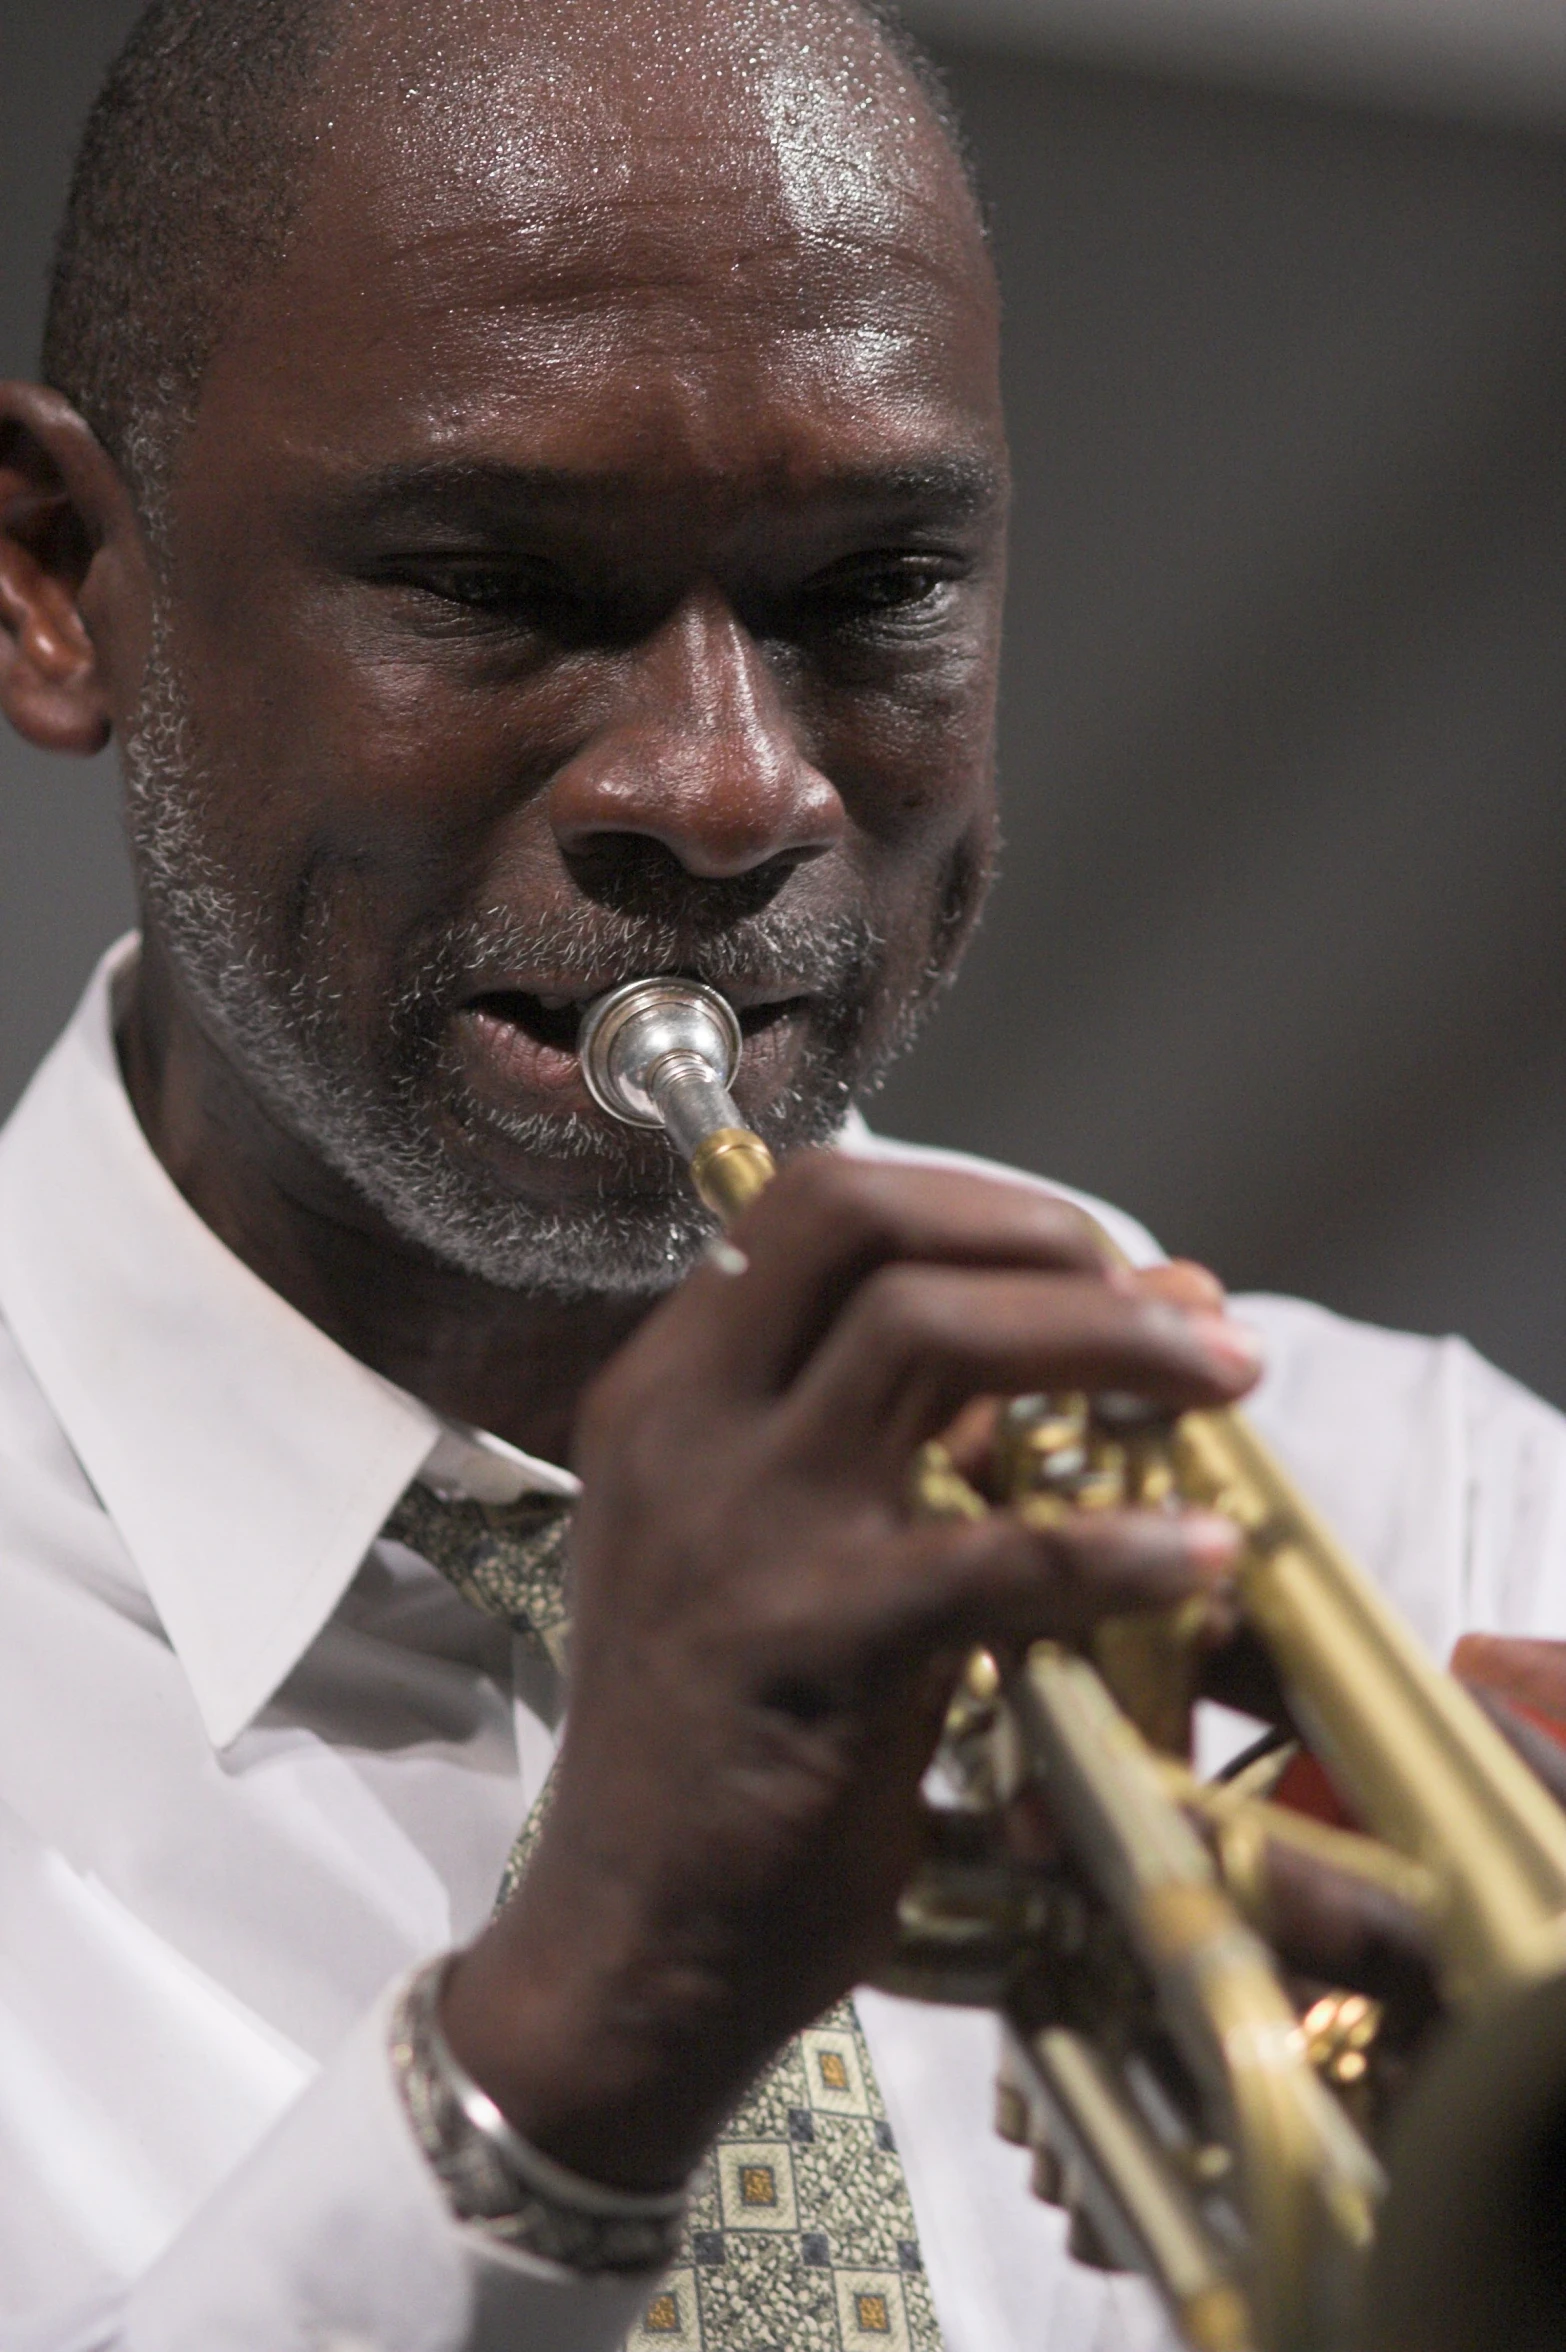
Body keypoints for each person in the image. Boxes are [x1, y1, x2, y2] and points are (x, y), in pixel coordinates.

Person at [2, 3, 1564, 2348]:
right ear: (54, 577)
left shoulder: (1431, 1507)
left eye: (873, 592)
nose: (729, 791)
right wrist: (566, 2056)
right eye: (497, 586)